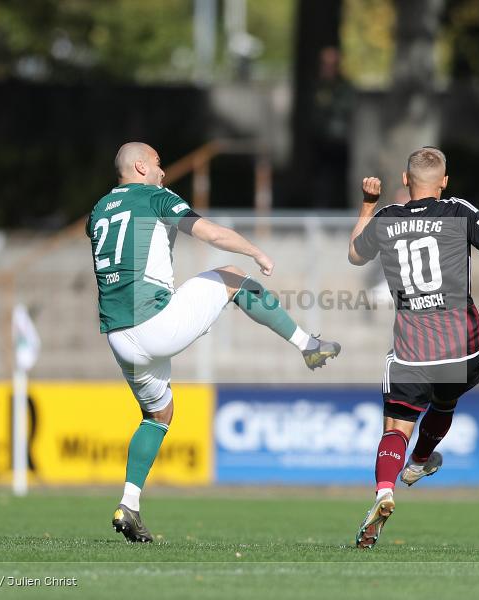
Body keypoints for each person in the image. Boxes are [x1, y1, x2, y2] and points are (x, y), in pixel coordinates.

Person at [90, 142, 340, 543]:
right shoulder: (154, 196)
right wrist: (255, 250)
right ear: (139, 166)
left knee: (159, 414)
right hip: (154, 322)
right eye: (157, 164)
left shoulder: (100, 209)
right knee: (232, 275)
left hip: (119, 336)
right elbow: (208, 232)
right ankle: (307, 344)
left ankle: (129, 505)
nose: (163, 172)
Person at [347, 147, 479, 549]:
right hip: (463, 346)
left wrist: (368, 204)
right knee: (444, 403)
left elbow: (356, 255)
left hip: (413, 349)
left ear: (406, 181)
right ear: (444, 183)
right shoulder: (457, 210)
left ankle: (384, 492)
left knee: (395, 428)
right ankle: (422, 461)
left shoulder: (388, 218)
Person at [309, 46, 354, 209]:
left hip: (339, 142)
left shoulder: (343, 88)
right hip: (321, 142)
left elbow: (344, 110)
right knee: (321, 182)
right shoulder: (318, 86)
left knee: (338, 181)